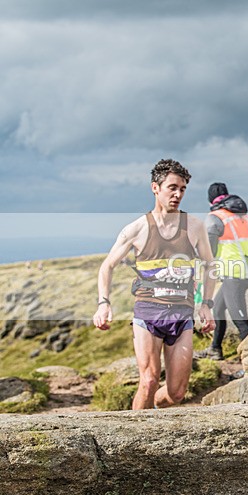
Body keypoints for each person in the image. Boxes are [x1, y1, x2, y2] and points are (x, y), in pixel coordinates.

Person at [93, 159, 216, 409]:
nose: (178, 194)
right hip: (148, 314)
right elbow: (107, 266)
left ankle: (154, 415)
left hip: (181, 316)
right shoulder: (137, 229)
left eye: (182, 189)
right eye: (172, 187)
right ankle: (132, 437)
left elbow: (210, 266)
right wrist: (103, 304)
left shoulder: (194, 227)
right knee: (148, 381)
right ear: (155, 188)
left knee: (177, 394)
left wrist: (206, 304)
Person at [196, 182, 248, 360]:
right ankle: (215, 349)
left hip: (233, 273)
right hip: (246, 269)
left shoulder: (215, 217)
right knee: (218, 309)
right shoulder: (238, 215)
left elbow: (209, 251)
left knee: (241, 323)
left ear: (210, 200)